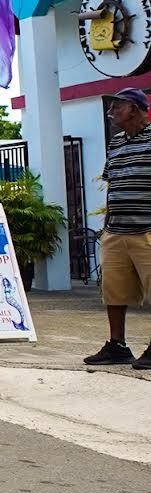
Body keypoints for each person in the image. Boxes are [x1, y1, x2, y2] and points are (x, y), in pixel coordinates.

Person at [85, 88, 151, 368]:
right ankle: (117, 345)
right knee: (113, 290)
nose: (111, 113)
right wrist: (107, 225)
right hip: (117, 229)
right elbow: (112, 184)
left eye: (117, 108)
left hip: (147, 228)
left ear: (134, 109)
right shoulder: (115, 143)